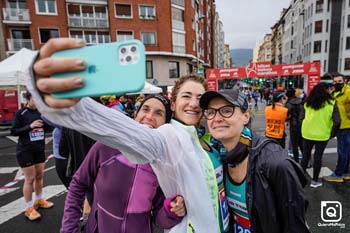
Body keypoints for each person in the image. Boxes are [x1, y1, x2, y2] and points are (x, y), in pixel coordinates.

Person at [26, 38, 221, 232]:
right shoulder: (166, 137)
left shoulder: (206, 143)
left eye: (200, 98)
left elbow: (160, 218)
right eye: (186, 96)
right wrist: (69, 105)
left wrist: (172, 210)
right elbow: (119, 130)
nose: (194, 103)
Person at [61, 95, 186, 233]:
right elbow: (78, 184)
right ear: (135, 115)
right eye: (145, 109)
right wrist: (68, 228)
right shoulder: (107, 145)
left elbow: (159, 218)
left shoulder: (163, 164)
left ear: (165, 125)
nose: (149, 117)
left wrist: (172, 211)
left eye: (159, 113)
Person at [199, 89, 310, 233]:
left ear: (245, 116)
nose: (217, 118)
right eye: (211, 112)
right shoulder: (217, 156)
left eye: (226, 110)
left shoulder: (275, 162)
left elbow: (295, 225)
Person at [10, 91, 54, 221]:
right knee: (30, 179)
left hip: (39, 149)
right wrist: (30, 126)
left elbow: (48, 129)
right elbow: (14, 131)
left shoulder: (41, 113)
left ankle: (39, 200)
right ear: (29, 99)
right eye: (36, 98)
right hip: (25, 151)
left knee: (40, 176)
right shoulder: (20, 113)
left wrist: (49, 121)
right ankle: (29, 208)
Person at [300, 83, 340, 188]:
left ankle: (299, 179)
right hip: (322, 134)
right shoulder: (332, 103)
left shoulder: (307, 102)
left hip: (307, 133)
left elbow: (301, 118)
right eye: (329, 89)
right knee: (318, 157)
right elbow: (337, 121)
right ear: (326, 91)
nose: (330, 91)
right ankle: (314, 181)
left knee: (305, 156)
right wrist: (332, 134)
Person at [323, 72, 350, 183]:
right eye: (335, 81)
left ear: (344, 81)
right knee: (347, 150)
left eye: (340, 81)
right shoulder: (335, 92)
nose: (337, 83)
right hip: (340, 125)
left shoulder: (347, 91)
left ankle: (338, 174)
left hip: (345, 126)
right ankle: (345, 172)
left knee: (343, 151)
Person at [285, 88, 304, 163]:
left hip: (293, 126)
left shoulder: (288, 104)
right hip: (302, 124)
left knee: (294, 145)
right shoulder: (301, 101)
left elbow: (286, 116)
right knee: (301, 143)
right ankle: (306, 159)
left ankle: (296, 161)